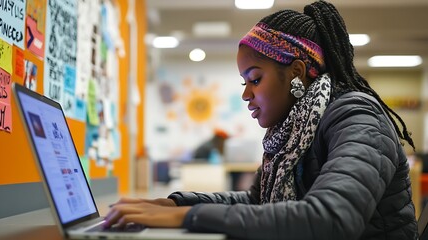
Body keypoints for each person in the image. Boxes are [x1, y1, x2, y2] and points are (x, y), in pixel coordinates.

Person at [103, 1, 418, 239]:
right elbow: (257, 202)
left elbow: (331, 219)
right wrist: (178, 205)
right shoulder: (294, 130)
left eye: (254, 79)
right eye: (244, 83)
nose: (246, 95)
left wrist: (189, 218)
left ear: (295, 73)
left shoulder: (358, 119)